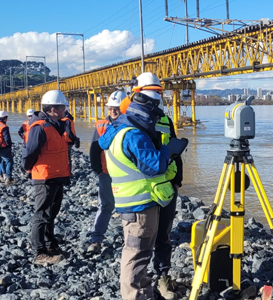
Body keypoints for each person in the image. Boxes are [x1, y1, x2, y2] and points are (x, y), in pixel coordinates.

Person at [99, 88, 177, 300]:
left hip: (129, 202)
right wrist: (164, 147)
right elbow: (157, 165)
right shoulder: (134, 135)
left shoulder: (118, 130)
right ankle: (135, 295)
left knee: (137, 254)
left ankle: (143, 292)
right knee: (136, 255)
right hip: (141, 205)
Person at [124, 72, 183, 299]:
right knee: (142, 241)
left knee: (163, 236)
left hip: (167, 187)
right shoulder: (132, 121)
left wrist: (177, 181)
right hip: (145, 190)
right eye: (154, 94)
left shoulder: (165, 121)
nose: (156, 99)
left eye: (158, 94)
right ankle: (140, 283)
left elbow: (175, 152)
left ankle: (162, 277)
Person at [23, 90, 71, 265]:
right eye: (62, 107)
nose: (65, 110)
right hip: (45, 177)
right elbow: (30, 153)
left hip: (57, 176)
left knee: (51, 214)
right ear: (52, 109)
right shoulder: (40, 127)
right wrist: (29, 169)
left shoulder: (56, 125)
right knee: (42, 214)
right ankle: (39, 252)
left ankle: (51, 245)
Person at [86, 90, 126, 254]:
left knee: (127, 207)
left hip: (125, 175)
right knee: (105, 206)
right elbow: (94, 150)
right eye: (111, 108)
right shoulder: (101, 125)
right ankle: (96, 239)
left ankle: (129, 239)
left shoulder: (130, 124)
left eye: (116, 108)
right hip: (107, 173)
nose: (113, 111)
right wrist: (98, 170)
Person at [0, 111, 15, 185]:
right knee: (9, 162)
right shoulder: (4, 127)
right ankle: (8, 178)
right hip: (2, 148)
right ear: (5, 118)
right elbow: (7, 139)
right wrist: (9, 147)